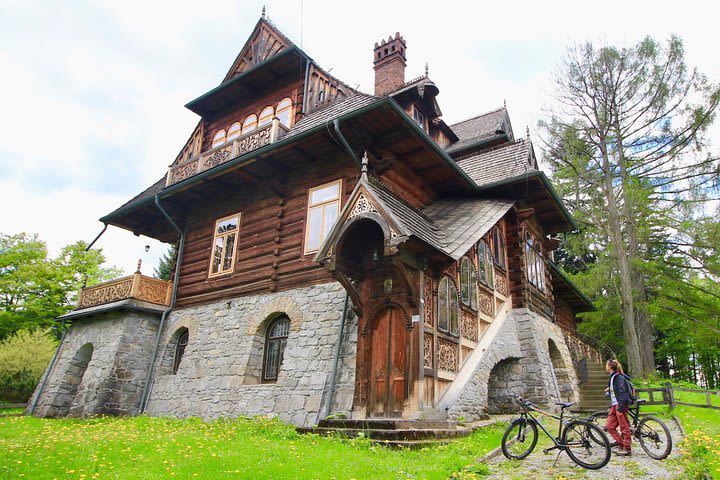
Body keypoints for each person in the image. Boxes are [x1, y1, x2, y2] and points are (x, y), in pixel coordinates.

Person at [605, 359, 632, 455]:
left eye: (606, 364)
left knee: (624, 427)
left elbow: (623, 394)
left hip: (620, 405)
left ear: (609, 366)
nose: (605, 366)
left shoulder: (619, 377)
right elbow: (616, 390)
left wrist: (620, 408)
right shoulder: (612, 377)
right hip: (614, 405)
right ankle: (621, 443)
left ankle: (627, 448)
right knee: (609, 426)